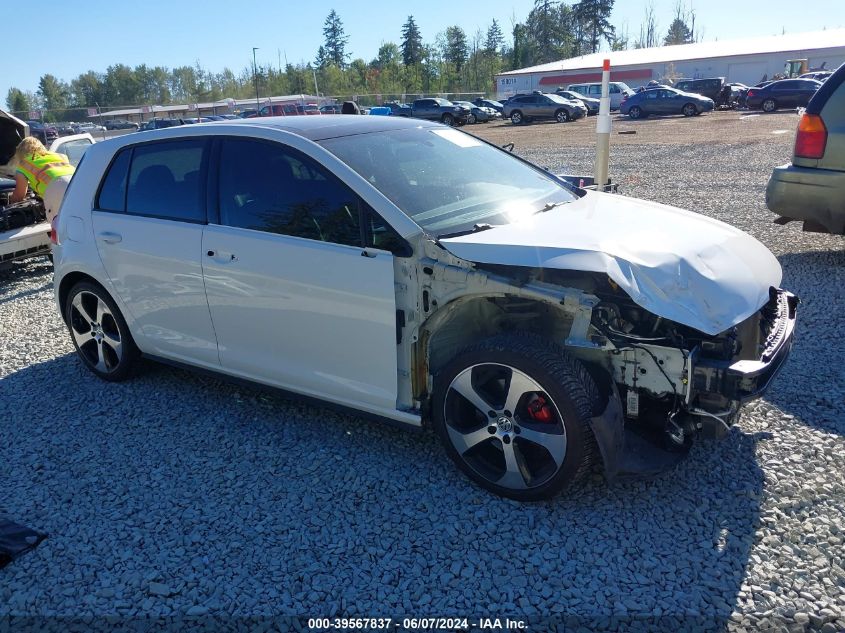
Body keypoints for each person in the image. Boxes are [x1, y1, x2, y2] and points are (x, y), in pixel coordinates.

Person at [10, 136, 75, 222]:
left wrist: (10, 201)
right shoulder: (61, 156)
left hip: (57, 191)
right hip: (77, 184)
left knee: (59, 226)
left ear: (20, 152)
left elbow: (19, 195)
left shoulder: (23, 165)